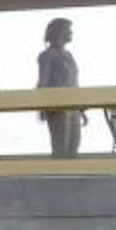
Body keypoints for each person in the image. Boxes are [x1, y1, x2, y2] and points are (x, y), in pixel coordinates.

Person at [38, 17, 83, 158]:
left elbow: (74, 82)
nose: (71, 33)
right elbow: (43, 82)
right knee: (61, 146)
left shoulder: (69, 55)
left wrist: (81, 108)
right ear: (58, 32)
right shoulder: (48, 55)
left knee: (74, 145)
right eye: (68, 30)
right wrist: (42, 106)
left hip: (74, 108)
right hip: (58, 109)